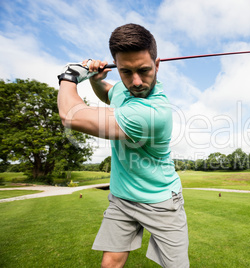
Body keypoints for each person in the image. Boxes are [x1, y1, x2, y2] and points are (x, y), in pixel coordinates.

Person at [57, 23, 189, 268]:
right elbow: (110, 93)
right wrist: (97, 80)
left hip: (160, 200)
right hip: (122, 197)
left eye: (144, 70)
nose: (136, 82)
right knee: (110, 264)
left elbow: (71, 115)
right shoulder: (124, 89)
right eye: (126, 72)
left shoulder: (152, 113)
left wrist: (69, 76)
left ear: (157, 64)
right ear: (117, 67)